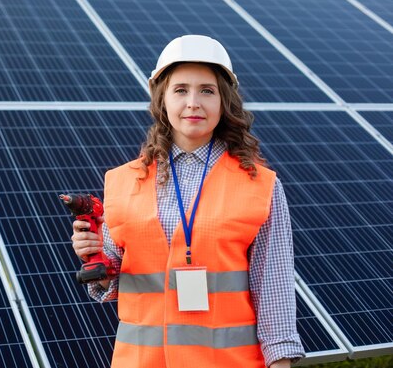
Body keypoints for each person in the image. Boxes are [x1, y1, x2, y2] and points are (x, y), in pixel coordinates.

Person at [70, 35, 305, 368]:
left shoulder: (261, 185)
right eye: (180, 90)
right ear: (162, 99)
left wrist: (279, 361)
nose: (193, 102)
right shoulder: (122, 182)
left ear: (225, 101)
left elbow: (274, 286)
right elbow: (112, 283)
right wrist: (93, 255)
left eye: (207, 91)